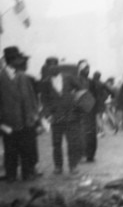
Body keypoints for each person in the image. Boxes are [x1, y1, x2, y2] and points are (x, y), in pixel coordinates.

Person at [0, 46, 40, 182]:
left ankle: (27, 173)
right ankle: (11, 174)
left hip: (25, 120)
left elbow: (31, 98)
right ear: (9, 61)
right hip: (8, 121)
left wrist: (34, 116)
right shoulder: (1, 77)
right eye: (17, 59)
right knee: (10, 149)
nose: (19, 62)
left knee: (26, 148)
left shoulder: (23, 77)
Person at [40, 63, 83, 175]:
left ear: (58, 67)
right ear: (48, 69)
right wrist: (48, 114)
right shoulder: (46, 82)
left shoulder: (68, 78)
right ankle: (58, 166)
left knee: (72, 142)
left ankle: (73, 166)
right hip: (56, 117)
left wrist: (75, 102)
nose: (53, 68)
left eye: (54, 65)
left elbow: (81, 90)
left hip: (70, 116)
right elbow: (44, 100)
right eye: (50, 67)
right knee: (56, 143)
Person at [76, 60, 99, 162]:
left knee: (91, 134)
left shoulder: (91, 82)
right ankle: (81, 154)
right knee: (80, 134)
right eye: (86, 69)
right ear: (80, 70)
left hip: (90, 112)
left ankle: (90, 155)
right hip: (80, 112)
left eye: (88, 69)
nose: (88, 71)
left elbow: (95, 96)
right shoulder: (75, 81)